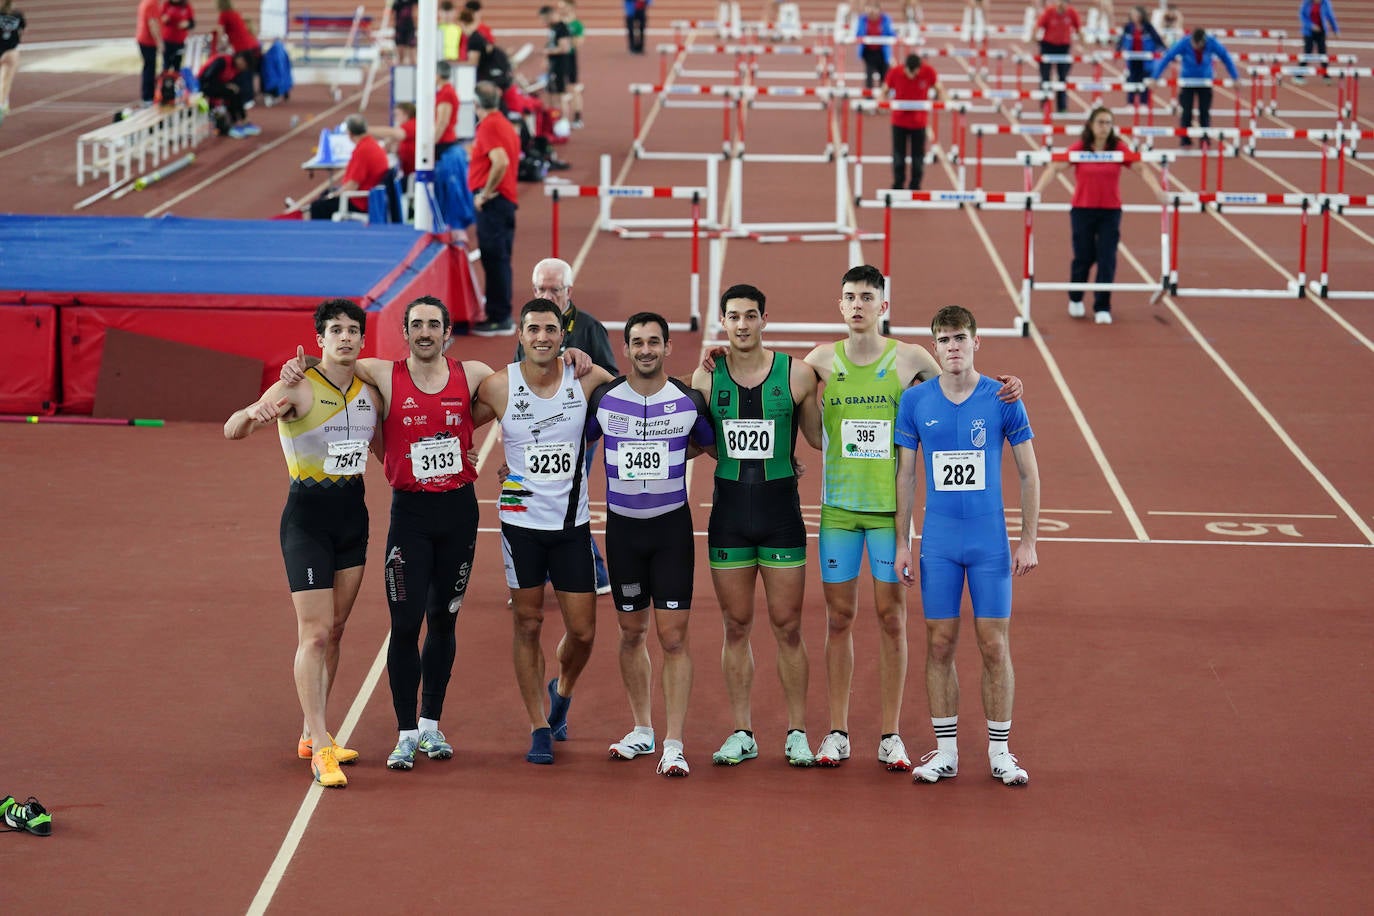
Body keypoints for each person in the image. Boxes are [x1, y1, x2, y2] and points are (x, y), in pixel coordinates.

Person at [802, 266, 1022, 770]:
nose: (858, 305)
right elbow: (774, 382)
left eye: (867, 297)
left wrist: (1009, 386)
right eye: (850, 297)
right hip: (838, 511)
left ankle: (890, 735)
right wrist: (718, 359)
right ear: (840, 305)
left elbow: (963, 382)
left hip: (887, 514)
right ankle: (837, 732)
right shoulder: (818, 360)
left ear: (883, 306)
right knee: (838, 620)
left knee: (892, 620)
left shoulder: (912, 358)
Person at [280, 297, 497, 771]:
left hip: (459, 513)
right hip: (410, 517)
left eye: (434, 324)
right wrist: (299, 367)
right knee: (405, 624)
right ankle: (405, 734)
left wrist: (572, 359)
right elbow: (334, 363)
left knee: (444, 621)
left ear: (447, 332)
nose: (425, 331)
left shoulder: (474, 374)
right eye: (417, 324)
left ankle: (431, 724)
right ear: (405, 332)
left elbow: (520, 396)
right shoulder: (380, 373)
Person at [223, 299, 380, 789]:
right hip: (308, 523)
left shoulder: (371, 391)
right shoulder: (296, 384)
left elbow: (385, 449)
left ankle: (313, 735)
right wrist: (252, 413)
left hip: (353, 518)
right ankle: (321, 744)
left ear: (362, 339)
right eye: (336, 330)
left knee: (336, 631)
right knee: (313, 634)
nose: (345, 337)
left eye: (353, 330)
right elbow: (233, 430)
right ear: (320, 339)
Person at [893, 305, 1040, 787]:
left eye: (960, 338)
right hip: (938, 544)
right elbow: (906, 476)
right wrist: (902, 543)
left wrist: (1028, 541)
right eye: (944, 339)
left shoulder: (1003, 398)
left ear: (976, 342)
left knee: (994, 645)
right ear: (934, 347)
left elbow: (1028, 473)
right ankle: (946, 753)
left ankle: (1000, 752)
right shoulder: (915, 402)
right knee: (939, 644)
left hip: (988, 543)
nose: (952, 346)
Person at [473, 298, 616, 765]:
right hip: (520, 526)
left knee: (584, 632)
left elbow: (636, 399)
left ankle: (562, 691)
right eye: (533, 329)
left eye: (550, 329)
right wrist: (463, 456)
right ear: (520, 335)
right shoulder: (499, 386)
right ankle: (538, 724)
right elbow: (450, 418)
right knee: (528, 623)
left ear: (562, 335)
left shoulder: (586, 378)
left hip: (572, 526)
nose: (541, 337)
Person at [690, 284, 823, 768]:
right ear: (723, 321)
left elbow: (818, 438)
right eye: (734, 316)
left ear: (764, 319)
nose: (742, 325)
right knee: (736, 626)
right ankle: (742, 731)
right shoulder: (705, 378)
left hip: (781, 518)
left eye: (751, 315)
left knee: (788, 627)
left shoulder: (798, 374)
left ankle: (797, 732)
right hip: (729, 519)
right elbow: (695, 440)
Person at [588, 312, 716, 777]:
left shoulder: (688, 400)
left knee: (674, 638)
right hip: (623, 532)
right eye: (637, 342)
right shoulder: (604, 399)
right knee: (630, 633)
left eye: (654, 342)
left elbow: (714, 446)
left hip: (671, 532)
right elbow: (568, 443)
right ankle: (642, 729)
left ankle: (674, 743)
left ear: (667, 348)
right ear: (626, 349)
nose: (646, 350)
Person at [515, 258, 618, 594]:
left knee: (565, 500)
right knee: (539, 499)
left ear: (568, 291)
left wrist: (593, 431)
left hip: (577, 435)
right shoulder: (529, 326)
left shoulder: (589, 328)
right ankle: (545, 575)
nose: (547, 295)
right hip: (536, 433)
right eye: (541, 289)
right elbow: (519, 375)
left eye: (554, 290)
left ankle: (594, 573)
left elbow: (611, 381)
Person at [1031, 105, 1166, 324]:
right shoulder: (1081, 147)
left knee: (1107, 258)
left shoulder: (1118, 148)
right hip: (1082, 210)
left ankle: (1102, 305)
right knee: (1083, 257)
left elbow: (1141, 168)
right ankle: (1076, 297)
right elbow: (1055, 167)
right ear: (1091, 125)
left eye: (1108, 123)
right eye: (1100, 122)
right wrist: (1036, 191)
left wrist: (1158, 191)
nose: (1104, 127)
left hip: (1110, 212)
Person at [469, 81, 521, 337]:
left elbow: (500, 161)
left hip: (495, 202)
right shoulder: (503, 123)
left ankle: (499, 317)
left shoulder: (489, 126)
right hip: (504, 201)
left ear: (476, 104)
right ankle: (500, 313)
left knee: (494, 258)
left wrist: (486, 193)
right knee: (499, 258)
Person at [1151, 27, 1238, 148]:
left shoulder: (1211, 42)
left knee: (1204, 112)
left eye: (1198, 45)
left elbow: (1225, 57)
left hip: (1205, 82)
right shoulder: (1184, 42)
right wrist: (1155, 77)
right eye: (1194, 44)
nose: (1195, 47)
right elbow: (1168, 57)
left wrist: (1235, 77)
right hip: (1188, 81)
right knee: (1186, 111)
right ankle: (1185, 138)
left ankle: (1205, 138)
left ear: (1203, 42)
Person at [302, 114, 391, 220]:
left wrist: (335, 194)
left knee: (317, 207)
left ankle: (311, 224)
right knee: (326, 193)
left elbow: (352, 186)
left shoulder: (362, 151)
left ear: (349, 133)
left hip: (360, 201)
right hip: (368, 196)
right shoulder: (372, 145)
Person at [883, 52, 946, 191]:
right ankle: (898, 185)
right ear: (904, 67)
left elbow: (939, 88)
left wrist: (945, 102)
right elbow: (885, 90)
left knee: (918, 157)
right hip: (899, 121)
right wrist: (880, 103)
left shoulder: (928, 71)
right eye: (909, 72)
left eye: (914, 73)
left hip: (919, 123)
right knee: (898, 156)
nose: (911, 76)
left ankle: (915, 186)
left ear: (919, 68)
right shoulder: (895, 72)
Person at [198, 49, 259, 138]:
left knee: (236, 92)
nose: (243, 69)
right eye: (244, 65)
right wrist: (225, 85)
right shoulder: (222, 61)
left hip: (218, 87)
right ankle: (235, 123)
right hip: (204, 86)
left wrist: (228, 86)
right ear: (241, 60)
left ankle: (244, 120)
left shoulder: (236, 69)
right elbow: (207, 78)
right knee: (231, 93)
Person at [1034, 0, 1081, 114]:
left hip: (1063, 48)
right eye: (1060, 2)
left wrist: (1084, 45)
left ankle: (1062, 107)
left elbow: (1078, 29)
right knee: (1045, 78)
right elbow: (1038, 26)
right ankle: (1045, 104)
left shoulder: (1072, 13)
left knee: (1063, 78)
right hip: (1048, 46)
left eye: (1064, 3)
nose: (1061, 6)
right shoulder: (1049, 11)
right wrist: (1033, 38)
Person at [1117, 5, 1164, 107]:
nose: (1134, 16)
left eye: (1136, 14)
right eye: (1132, 14)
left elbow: (1157, 39)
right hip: (1132, 58)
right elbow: (1121, 39)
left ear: (1141, 15)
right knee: (1132, 78)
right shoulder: (1128, 27)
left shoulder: (1148, 27)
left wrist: (1162, 49)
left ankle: (1144, 102)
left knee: (1145, 79)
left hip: (1145, 59)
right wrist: (1118, 49)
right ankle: (1130, 102)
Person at [458, 8, 512, 89]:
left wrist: (455, 65)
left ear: (462, 23)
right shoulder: (477, 36)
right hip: (497, 70)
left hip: (492, 74)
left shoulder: (474, 39)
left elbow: (473, 62)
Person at [539, 4, 573, 122]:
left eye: (544, 19)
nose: (543, 22)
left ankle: (563, 120)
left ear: (550, 15)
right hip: (553, 65)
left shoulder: (562, 28)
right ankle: (554, 119)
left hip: (560, 66)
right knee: (551, 93)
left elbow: (565, 48)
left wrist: (548, 51)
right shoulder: (553, 28)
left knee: (560, 95)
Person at [854, 2, 896, 90]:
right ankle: (868, 95)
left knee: (884, 75)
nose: (872, 12)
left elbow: (891, 34)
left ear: (879, 10)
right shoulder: (862, 19)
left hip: (882, 52)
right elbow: (858, 34)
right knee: (869, 74)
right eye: (870, 9)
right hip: (868, 52)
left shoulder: (885, 19)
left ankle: (883, 94)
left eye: (874, 9)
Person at [369, 102, 418, 176]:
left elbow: (393, 133)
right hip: (407, 170)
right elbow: (391, 141)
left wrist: (366, 130)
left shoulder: (413, 124)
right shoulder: (405, 128)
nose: (395, 119)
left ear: (406, 114)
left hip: (413, 172)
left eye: (397, 115)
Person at [1297, 0, 1339, 85]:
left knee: (1323, 53)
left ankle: (1326, 75)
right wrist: (1311, 25)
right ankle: (1298, 75)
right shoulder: (1306, 3)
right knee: (1307, 52)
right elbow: (1302, 16)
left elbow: (1330, 16)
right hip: (1309, 32)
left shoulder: (1325, 3)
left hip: (1321, 31)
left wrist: (1335, 30)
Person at [216, 0, 261, 75]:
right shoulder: (235, 14)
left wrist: (219, 46)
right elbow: (235, 34)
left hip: (242, 49)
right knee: (252, 73)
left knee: (239, 73)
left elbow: (220, 32)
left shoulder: (224, 14)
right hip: (253, 46)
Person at [561, 0, 585, 128]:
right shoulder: (558, 24)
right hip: (557, 59)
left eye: (563, 6)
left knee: (573, 87)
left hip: (569, 58)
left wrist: (566, 37)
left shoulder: (576, 25)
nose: (561, 9)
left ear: (571, 7)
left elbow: (578, 42)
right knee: (558, 90)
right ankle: (561, 117)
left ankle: (577, 117)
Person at [0, 0, 24, 125]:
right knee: (5, 81)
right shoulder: (18, 14)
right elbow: (21, 31)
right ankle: (2, 104)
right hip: (11, 51)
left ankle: (2, 104)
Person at [136, 0, 163, 107]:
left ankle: (147, 95)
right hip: (148, 41)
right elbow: (152, 24)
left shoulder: (146, 2)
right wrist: (159, 42)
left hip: (143, 39)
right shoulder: (152, 4)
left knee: (148, 67)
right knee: (150, 69)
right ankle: (148, 96)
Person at [159, 0, 196, 74]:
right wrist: (165, 18)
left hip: (180, 41)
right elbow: (159, 19)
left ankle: (175, 78)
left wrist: (186, 24)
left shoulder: (186, 6)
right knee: (166, 64)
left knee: (177, 63)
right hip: (167, 39)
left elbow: (192, 23)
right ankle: (165, 79)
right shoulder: (166, 5)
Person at [435, 60, 460, 157]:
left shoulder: (446, 93)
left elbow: (442, 122)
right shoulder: (446, 91)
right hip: (444, 139)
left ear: (438, 75)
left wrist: (432, 142)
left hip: (444, 141)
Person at [392, 0, 418, 65]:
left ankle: (414, 69)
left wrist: (416, 25)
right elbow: (392, 15)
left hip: (410, 29)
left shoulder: (413, 1)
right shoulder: (397, 2)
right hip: (399, 29)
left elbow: (416, 11)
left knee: (412, 55)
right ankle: (400, 69)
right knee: (400, 56)